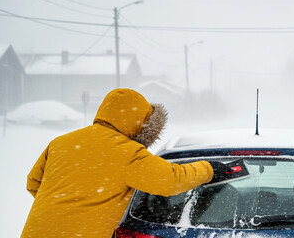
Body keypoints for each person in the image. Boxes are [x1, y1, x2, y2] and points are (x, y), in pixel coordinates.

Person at [21, 88, 228, 238]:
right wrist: (210, 169)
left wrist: (67, 207)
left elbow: (33, 183)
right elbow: (171, 180)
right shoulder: (128, 153)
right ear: (142, 124)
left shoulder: (61, 142)